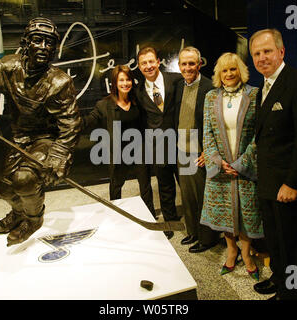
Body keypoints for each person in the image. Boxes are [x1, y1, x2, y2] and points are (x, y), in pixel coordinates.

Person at [0, 18, 83, 246]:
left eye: (49, 43)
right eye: (38, 40)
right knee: (5, 189)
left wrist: (59, 154)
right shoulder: (9, 66)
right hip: (19, 139)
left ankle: (33, 218)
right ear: (26, 42)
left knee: (25, 179)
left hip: (46, 139)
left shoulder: (59, 81)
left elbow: (71, 123)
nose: (44, 47)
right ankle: (19, 213)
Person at [249, 29, 297, 300]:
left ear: (281, 52)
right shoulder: (263, 89)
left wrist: (292, 182)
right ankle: (279, 277)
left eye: (267, 51)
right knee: (275, 238)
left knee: (292, 242)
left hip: (289, 183)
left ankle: (290, 293)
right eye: (256, 53)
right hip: (268, 181)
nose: (261, 58)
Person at [200, 52, 262, 281]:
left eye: (233, 69)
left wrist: (242, 163)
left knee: (246, 212)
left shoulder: (254, 94)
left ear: (241, 71)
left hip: (245, 166)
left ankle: (246, 254)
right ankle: (231, 251)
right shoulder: (210, 97)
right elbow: (206, 132)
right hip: (221, 168)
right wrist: (217, 160)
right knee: (226, 212)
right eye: (224, 70)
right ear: (219, 74)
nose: (228, 74)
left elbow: (259, 133)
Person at [83, 65, 156, 217]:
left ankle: (150, 215)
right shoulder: (104, 105)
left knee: (145, 186)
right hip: (118, 151)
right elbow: (90, 120)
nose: (125, 83)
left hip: (139, 149)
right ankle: (117, 216)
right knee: (116, 186)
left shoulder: (138, 100)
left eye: (128, 79)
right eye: (121, 80)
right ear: (115, 83)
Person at [174, 46, 220, 253]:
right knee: (187, 196)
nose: (188, 67)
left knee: (203, 196)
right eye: (184, 64)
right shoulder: (178, 86)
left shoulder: (210, 88)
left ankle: (208, 238)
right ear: (179, 66)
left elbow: (218, 124)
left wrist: (208, 151)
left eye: (192, 63)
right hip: (181, 148)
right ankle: (193, 232)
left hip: (200, 150)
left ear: (199, 64)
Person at [135, 46, 182, 239]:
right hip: (158, 147)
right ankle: (171, 223)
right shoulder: (137, 91)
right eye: (144, 63)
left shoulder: (176, 80)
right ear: (139, 66)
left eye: (151, 61)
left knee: (188, 185)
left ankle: (199, 226)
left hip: (181, 144)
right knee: (165, 187)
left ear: (158, 61)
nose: (148, 66)